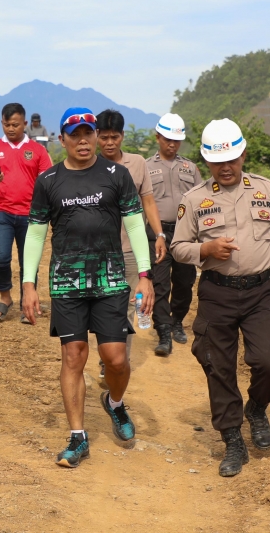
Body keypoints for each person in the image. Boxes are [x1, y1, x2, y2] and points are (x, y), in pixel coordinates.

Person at [170, 119, 270, 477]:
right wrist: (206, 248)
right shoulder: (194, 199)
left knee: (268, 362)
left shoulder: (265, 190)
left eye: (232, 158)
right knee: (218, 366)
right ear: (206, 162)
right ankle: (233, 439)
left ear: (243, 154)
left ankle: (257, 409)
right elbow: (178, 248)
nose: (226, 167)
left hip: (259, 292)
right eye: (218, 162)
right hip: (217, 293)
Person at [20, 107, 154, 468]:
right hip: (67, 281)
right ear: (61, 138)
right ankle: (78, 437)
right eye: (75, 134)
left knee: (116, 359)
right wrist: (28, 284)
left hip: (110, 279)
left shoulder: (118, 175)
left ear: (96, 135)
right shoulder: (48, 181)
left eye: (89, 133)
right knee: (73, 356)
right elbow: (35, 233)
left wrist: (144, 274)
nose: (84, 140)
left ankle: (114, 402)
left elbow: (136, 225)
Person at [94, 109, 167, 361]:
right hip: (98, 252)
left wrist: (159, 234)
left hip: (130, 251)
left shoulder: (137, 164)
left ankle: (116, 361)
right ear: (96, 136)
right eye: (104, 138)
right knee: (103, 308)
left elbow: (148, 201)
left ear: (122, 136)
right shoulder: (89, 165)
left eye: (114, 137)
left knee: (127, 308)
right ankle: (108, 356)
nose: (109, 143)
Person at [0, 103, 53, 322]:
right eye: (7, 124)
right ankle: (5, 297)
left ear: (25, 124)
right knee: (0, 258)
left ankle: (26, 304)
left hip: (30, 215)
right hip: (1, 211)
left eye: (15, 124)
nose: (11, 129)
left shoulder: (38, 151)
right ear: (1, 123)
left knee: (27, 261)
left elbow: (47, 183)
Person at [145, 113, 203, 351]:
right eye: (167, 138)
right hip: (157, 233)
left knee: (184, 282)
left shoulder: (191, 167)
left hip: (185, 234)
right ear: (158, 137)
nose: (172, 144)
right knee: (160, 284)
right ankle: (163, 333)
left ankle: (177, 320)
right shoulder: (145, 167)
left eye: (176, 140)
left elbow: (202, 200)